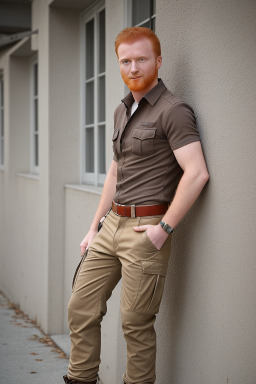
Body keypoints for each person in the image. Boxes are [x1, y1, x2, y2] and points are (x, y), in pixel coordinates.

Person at [63, 27, 209, 384]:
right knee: (80, 308)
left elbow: (197, 173)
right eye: (125, 61)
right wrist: (94, 225)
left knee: (135, 323)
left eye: (141, 59)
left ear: (158, 61)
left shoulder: (173, 111)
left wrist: (164, 230)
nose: (133, 67)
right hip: (111, 224)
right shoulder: (122, 109)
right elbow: (114, 173)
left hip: (146, 229)